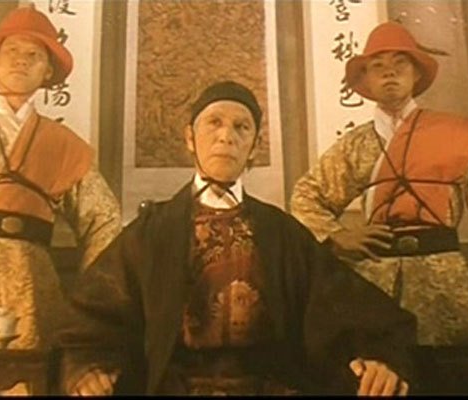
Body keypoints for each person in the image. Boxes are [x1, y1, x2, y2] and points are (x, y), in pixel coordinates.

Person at [61, 81, 416, 396]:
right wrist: (87, 367)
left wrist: (379, 358)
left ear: (254, 146)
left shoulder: (281, 232)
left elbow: (349, 306)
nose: (226, 136)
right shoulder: (152, 231)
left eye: (241, 127)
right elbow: (96, 315)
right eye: (213, 123)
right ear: (190, 138)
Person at [0, 3, 121, 356]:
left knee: (30, 376)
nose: (21, 61)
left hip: (33, 286)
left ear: (48, 70)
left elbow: (105, 219)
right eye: (12, 51)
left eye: (34, 55)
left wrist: (89, 298)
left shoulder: (64, 144)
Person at [290, 21, 468, 347]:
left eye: (400, 63)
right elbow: (305, 196)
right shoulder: (355, 145)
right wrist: (337, 235)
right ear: (366, 79)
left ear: (417, 73)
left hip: (447, 281)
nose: (389, 73)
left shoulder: (456, 135)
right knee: (382, 365)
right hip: (376, 281)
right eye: (377, 66)